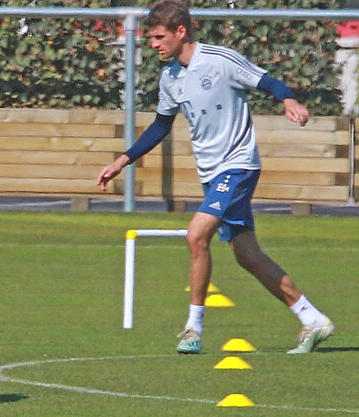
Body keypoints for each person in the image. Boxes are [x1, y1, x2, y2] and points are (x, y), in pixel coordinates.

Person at [97, 0, 334, 355]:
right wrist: (124, 159)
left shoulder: (221, 60)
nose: (154, 44)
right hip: (211, 174)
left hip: (238, 166)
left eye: (160, 37)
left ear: (181, 32)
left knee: (196, 235)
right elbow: (162, 124)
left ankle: (193, 329)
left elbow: (268, 82)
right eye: (151, 38)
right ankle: (313, 319)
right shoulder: (170, 77)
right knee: (247, 256)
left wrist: (287, 100)